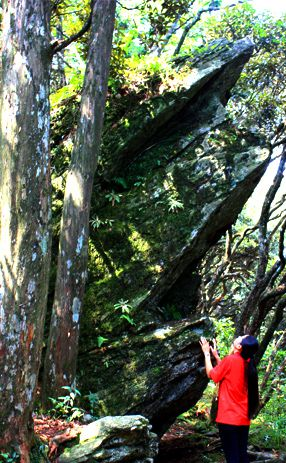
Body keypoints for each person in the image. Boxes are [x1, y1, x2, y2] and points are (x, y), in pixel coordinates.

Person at [200, 334, 259, 463]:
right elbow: (229, 373)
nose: (240, 335)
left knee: (232, 457)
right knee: (241, 456)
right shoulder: (248, 362)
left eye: (242, 337)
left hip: (228, 419)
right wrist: (216, 357)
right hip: (243, 419)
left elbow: (212, 375)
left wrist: (206, 354)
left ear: (239, 346)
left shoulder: (231, 360)